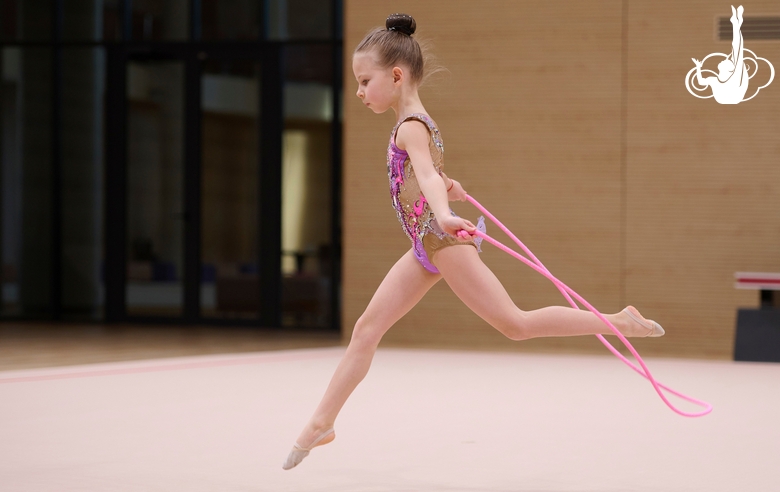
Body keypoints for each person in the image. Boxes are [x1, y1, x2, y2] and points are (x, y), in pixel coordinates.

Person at [282, 13, 664, 470]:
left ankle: (618, 320)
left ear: (396, 75)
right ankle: (321, 423)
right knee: (367, 329)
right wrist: (449, 186)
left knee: (515, 324)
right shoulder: (416, 121)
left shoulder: (410, 126)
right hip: (426, 245)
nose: (360, 91)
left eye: (365, 81)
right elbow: (429, 173)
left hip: (441, 241)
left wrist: (444, 210)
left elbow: (423, 173)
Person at [692, 5, 748, 104]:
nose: (725, 59)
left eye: (726, 61)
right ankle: (736, 23)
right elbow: (701, 82)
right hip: (729, 97)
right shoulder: (721, 79)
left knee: (737, 51)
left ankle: (736, 23)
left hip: (731, 97)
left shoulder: (729, 78)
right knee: (737, 52)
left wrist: (698, 67)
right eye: (728, 60)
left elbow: (738, 48)